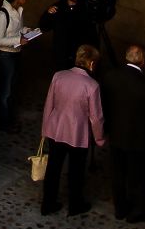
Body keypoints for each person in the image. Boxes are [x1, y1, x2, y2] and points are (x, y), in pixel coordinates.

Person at [40, 43, 106, 217]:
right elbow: (96, 117)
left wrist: (45, 128)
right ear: (91, 64)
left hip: (56, 129)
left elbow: (49, 104)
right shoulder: (92, 86)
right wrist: (99, 138)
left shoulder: (58, 76)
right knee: (76, 172)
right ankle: (75, 204)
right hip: (78, 134)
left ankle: (47, 204)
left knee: (53, 168)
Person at [100, 43, 145, 222]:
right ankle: (138, 211)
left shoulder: (110, 77)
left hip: (116, 134)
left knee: (118, 174)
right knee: (138, 176)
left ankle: (120, 208)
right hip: (139, 139)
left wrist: (105, 129)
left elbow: (104, 105)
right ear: (143, 61)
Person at [0, 0, 35, 132]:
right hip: (5, 56)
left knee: (11, 88)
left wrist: (27, 31)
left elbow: (16, 29)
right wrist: (19, 40)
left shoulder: (18, 11)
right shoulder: (2, 15)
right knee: (6, 91)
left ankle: (8, 119)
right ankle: (3, 122)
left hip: (16, 54)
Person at [39, 0, 100, 70]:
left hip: (81, 59)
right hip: (62, 58)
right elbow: (43, 26)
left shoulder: (86, 8)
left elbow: (93, 34)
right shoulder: (57, 9)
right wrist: (48, 14)